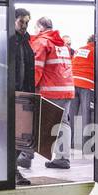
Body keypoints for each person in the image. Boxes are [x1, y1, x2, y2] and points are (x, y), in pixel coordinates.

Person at [31, 16, 75, 169]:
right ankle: (62, 158)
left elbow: (36, 68)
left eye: (35, 28)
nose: (34, 31)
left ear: (40, 27)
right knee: (63, 123)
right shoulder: (62, 44)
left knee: (36, 122)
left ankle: (26, 155)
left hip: (51, 90)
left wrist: (30, 88)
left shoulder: (42, 42)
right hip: (67, 89)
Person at [11, 8, 36, 184]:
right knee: (11, 136)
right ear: (13, 21)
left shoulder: (26, 42)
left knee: (22, 136)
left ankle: (13, 170)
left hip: (24, 95)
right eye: (21, 21)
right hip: (10, 95)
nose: (24, 25)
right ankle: (12, 171)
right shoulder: (9, 41)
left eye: (27, 22)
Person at [70, 33, 95, 150]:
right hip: (87, 84)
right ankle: (85, 145)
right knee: (86, 114)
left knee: (73, 114)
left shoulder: (79, 50)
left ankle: (71, 142)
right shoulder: (97, 51)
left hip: (73, 82)